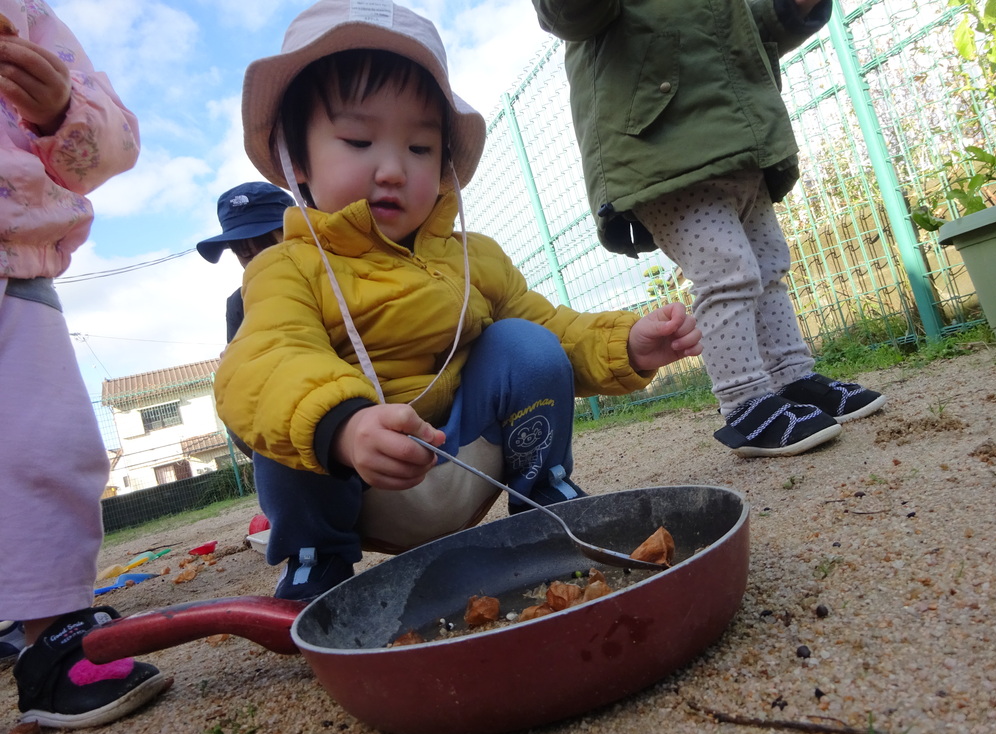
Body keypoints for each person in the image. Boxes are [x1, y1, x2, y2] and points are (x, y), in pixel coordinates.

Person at [214, 0, 703, 602]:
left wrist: (624, 342)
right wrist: (344, 429)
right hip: (356, 482)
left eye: (420, 149)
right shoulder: (285, 268)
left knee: (524, 341)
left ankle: (543, 497)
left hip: (466, 455)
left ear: (444, 164)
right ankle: (317, 562)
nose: (392, 168)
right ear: (298, 159)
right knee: (287, 411)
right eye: (358, 139)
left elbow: (552, 328)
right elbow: (265, 360)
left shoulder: (475, 257)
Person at [531, 0, 887, 458]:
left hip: (739, 137)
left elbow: (750, 26)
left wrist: (791, 9)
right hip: (660, 150)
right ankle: (744, 402)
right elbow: (571, 14)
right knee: (727, 270)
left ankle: (792, 377)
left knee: (768, 265)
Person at [0, 1, 169, 729]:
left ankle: (50, 641)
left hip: (12, 261)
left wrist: (60, 108)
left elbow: (118, 141)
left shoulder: (24, 15)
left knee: (48, 451)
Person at [196, 182, 295, 342]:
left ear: (295, 233)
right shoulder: (238, 304)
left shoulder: (333, 275)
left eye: (268, 250)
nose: (259, 263)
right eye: (246, 255)